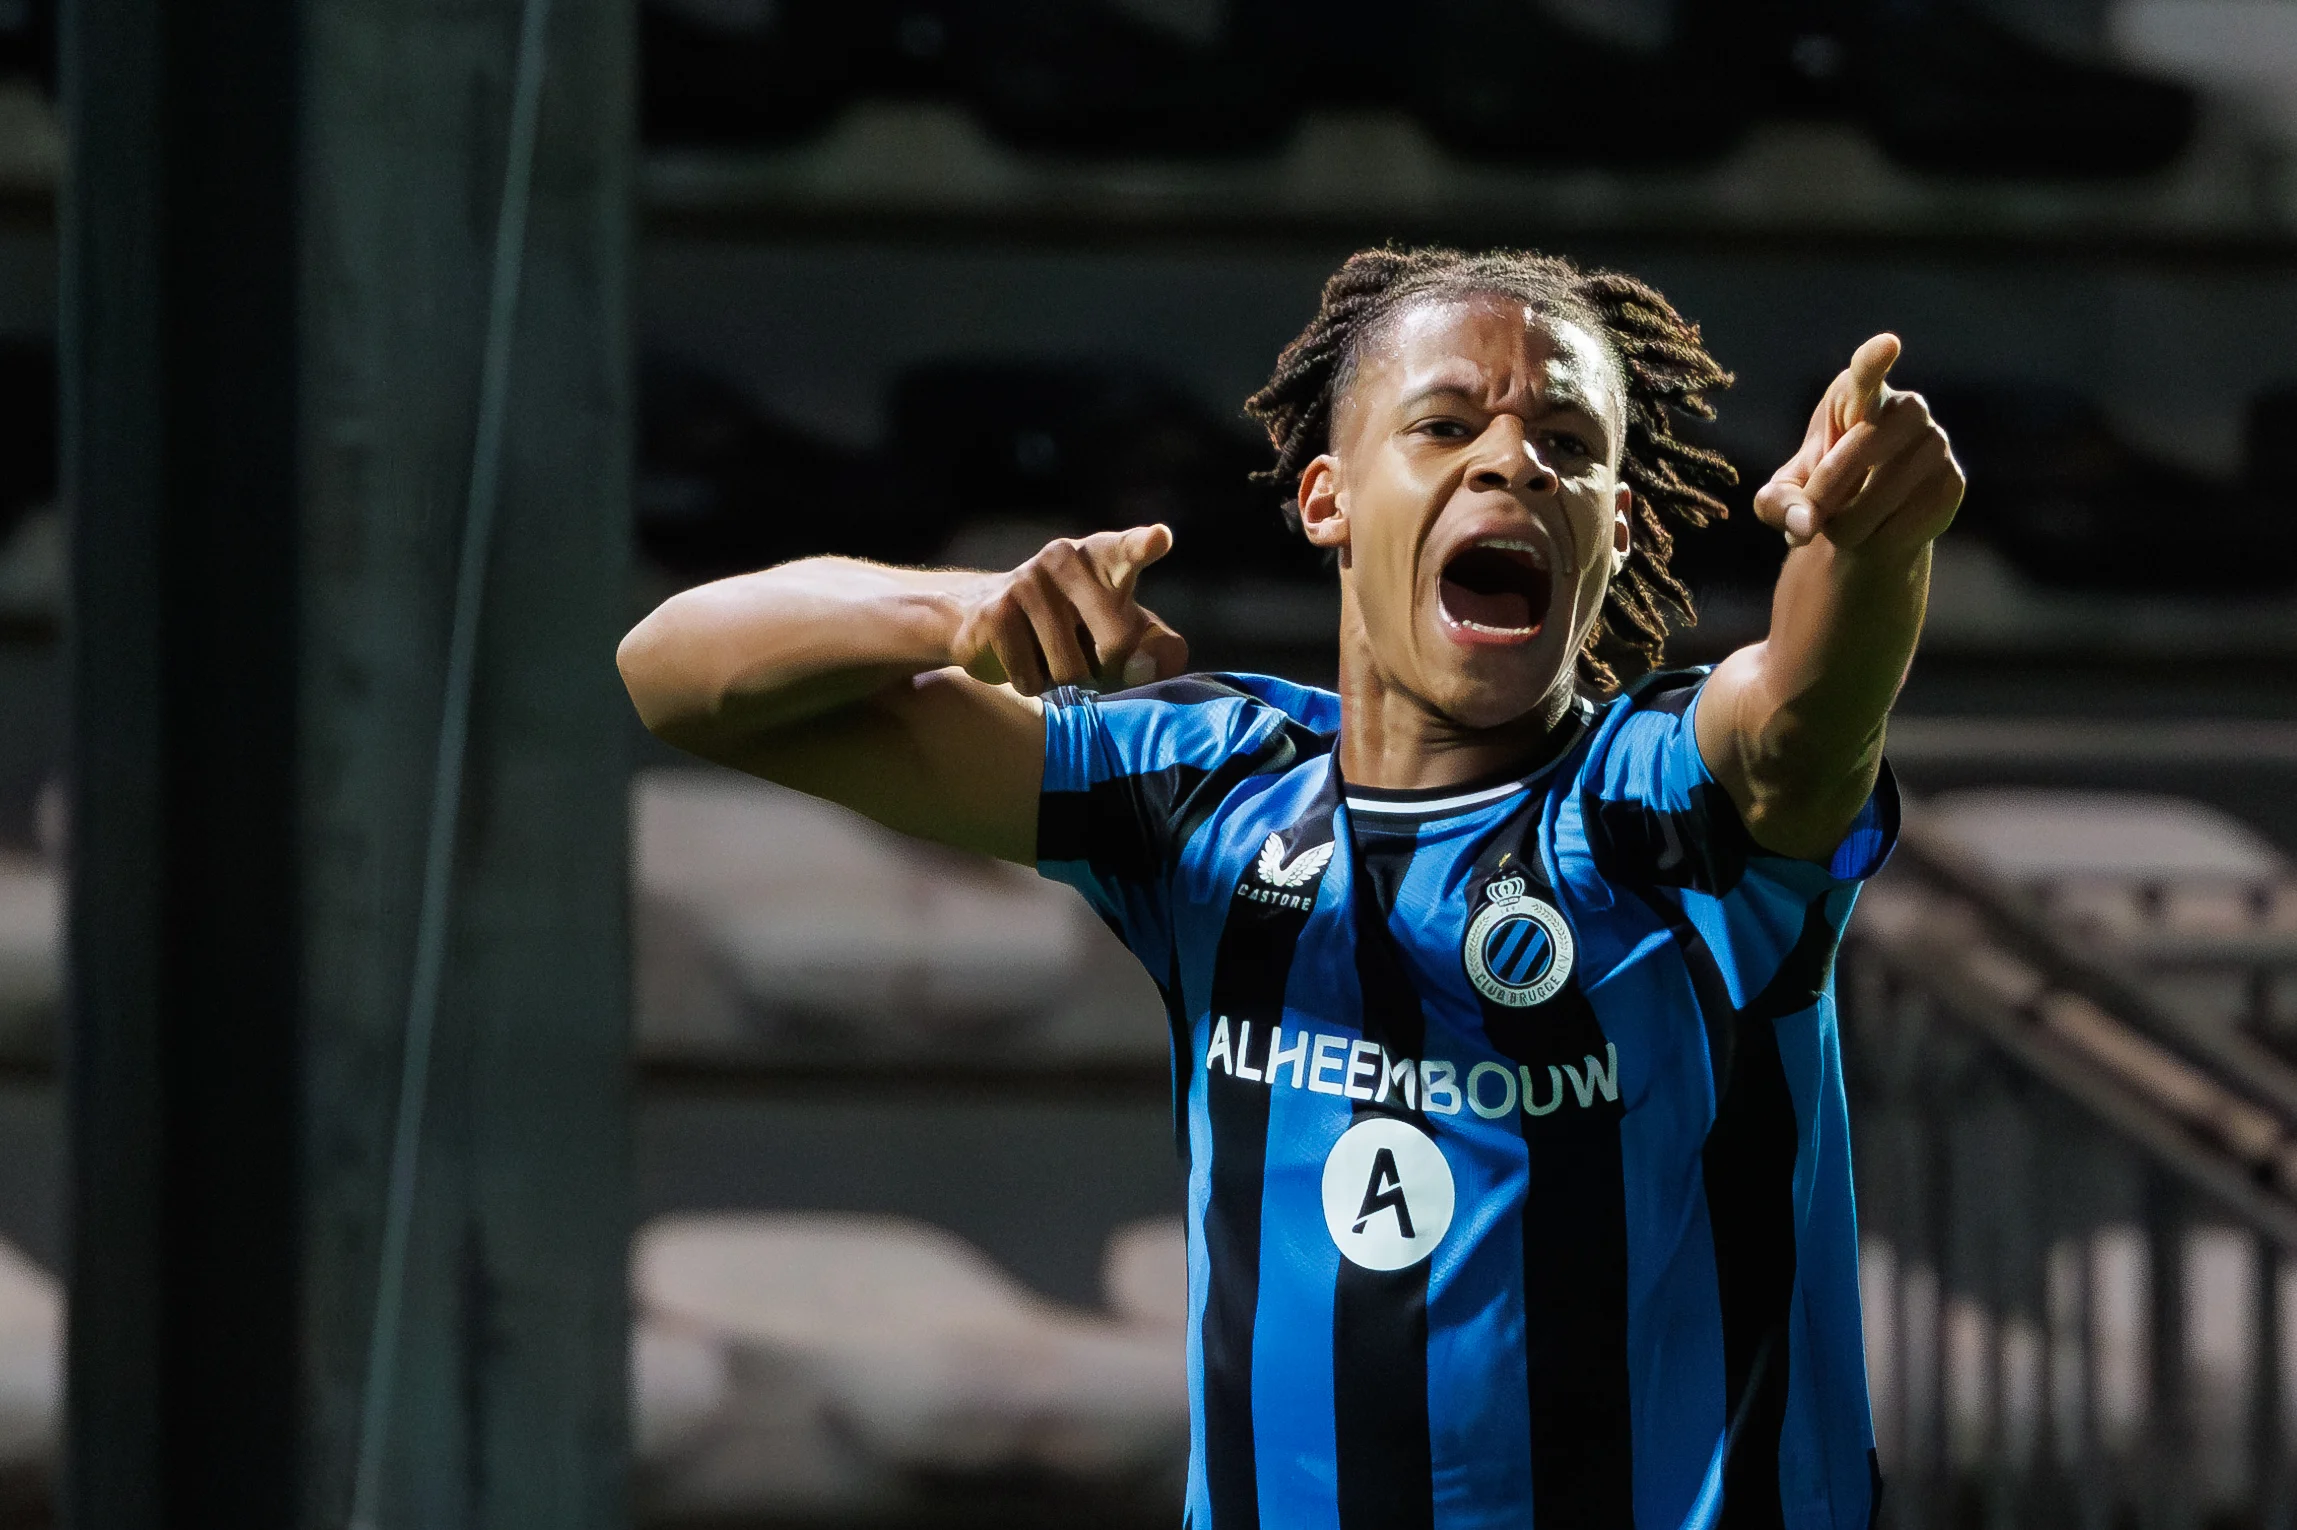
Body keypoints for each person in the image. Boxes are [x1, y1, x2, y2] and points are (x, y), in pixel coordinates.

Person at [616, 245, 1963, 1530]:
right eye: (1447, 426)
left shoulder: (1658, 810)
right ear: (1327, 499)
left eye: (1567, 444)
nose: (1515, 459)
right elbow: (679, 676)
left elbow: (1797, 726)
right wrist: (957, 615)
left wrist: (1865, 553)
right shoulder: (1204, 791)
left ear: (1615, 525)